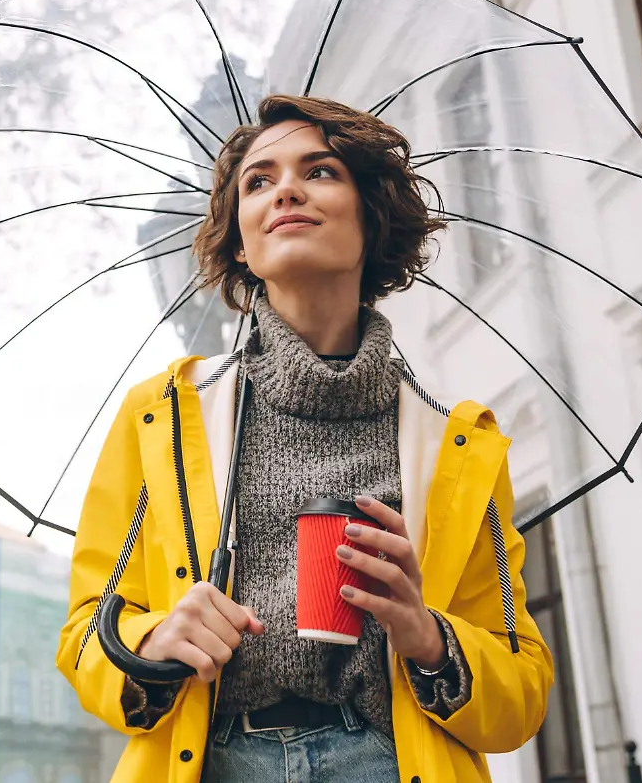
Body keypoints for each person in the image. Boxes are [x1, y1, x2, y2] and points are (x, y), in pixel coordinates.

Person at [56, 95, 555, 783]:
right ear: (240, 238)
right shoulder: (165, 418)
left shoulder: (456, 444)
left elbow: (521, 693)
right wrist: (154, 640)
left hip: (387, 761)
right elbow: (87, 632)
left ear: (369, 216)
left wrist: (429, 637)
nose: (285, 188)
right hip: (211, 761)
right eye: (258, 182)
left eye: (319, 171)